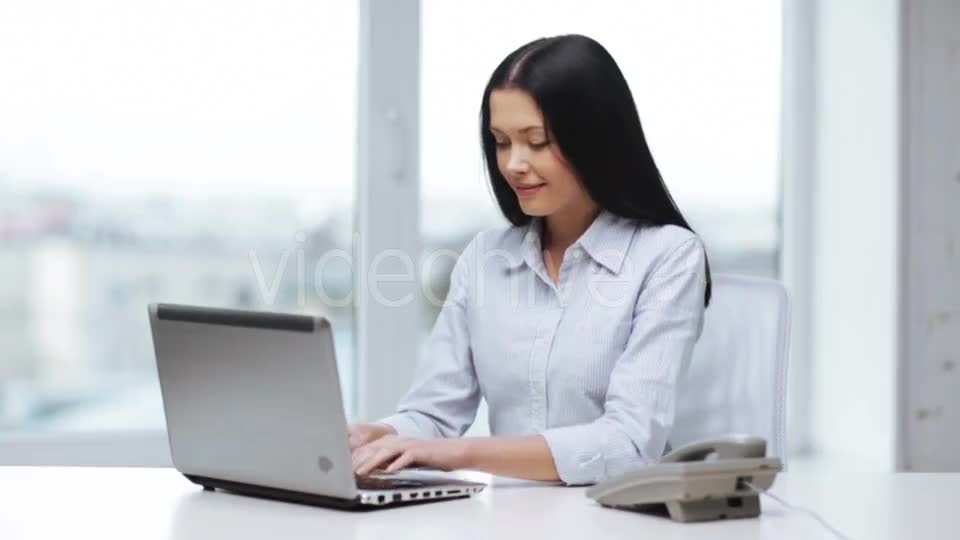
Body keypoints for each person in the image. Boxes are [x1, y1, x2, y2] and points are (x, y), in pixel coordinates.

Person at [350, 34, 712, 486]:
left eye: (536, 141)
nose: (513, 164)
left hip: (615, 520)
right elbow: (434, 413)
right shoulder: (486, 257)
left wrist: (455, 454)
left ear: (595, 140)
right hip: (507, 518)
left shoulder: (667, 257)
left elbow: (629, 444)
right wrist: (377, 435)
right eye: (501, 142)